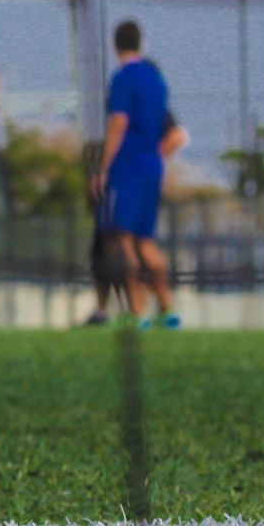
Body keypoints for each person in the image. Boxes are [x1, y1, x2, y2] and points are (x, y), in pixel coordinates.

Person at [94, 19, 179, 329]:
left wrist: (103, 168)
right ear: (141, 42)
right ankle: (168, 309)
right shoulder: (156, 80)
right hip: (153, 168)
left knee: (123, 240)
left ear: (115, 44)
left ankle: (138, 312)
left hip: (127, 167)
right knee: (147, 242)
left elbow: (119, 122)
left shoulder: (122, 78)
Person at [80, 113, 185, 327]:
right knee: (124, 247)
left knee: (121, 244)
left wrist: (121, 169)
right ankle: (157, 310)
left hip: (127, 183)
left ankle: (138, 311)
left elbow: (177, 136)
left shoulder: (130, 104)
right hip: (133, 182)